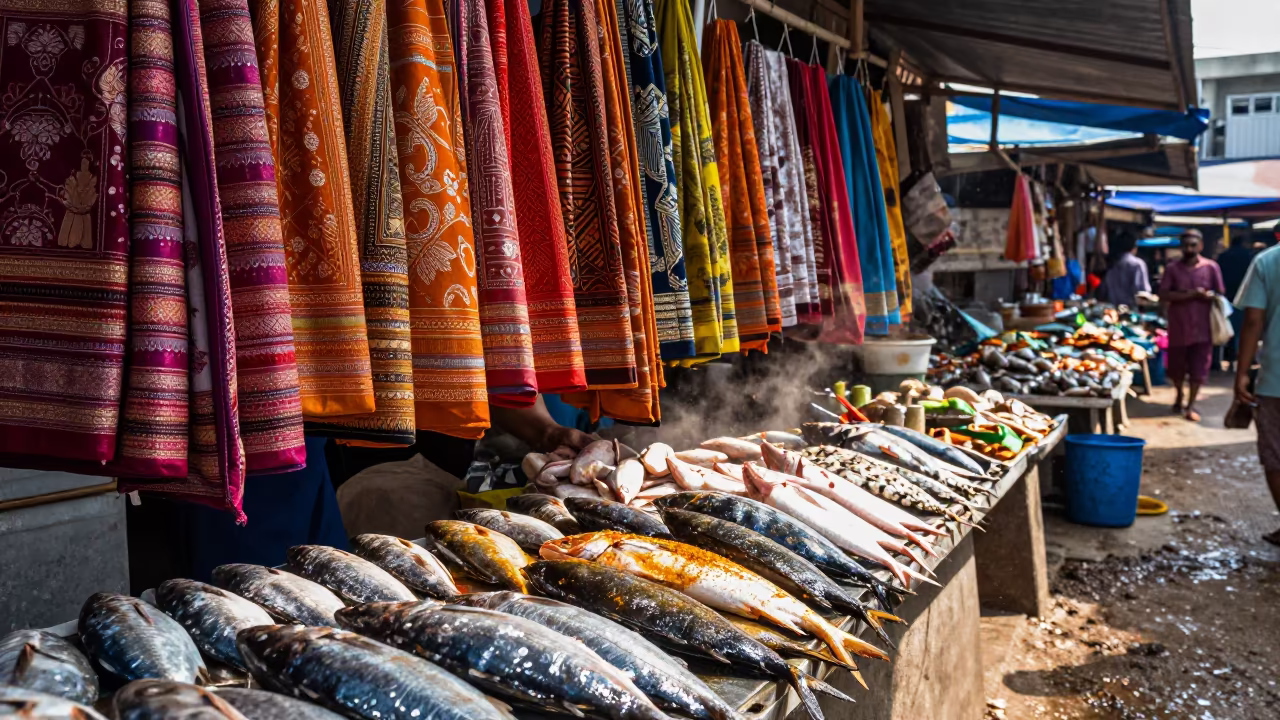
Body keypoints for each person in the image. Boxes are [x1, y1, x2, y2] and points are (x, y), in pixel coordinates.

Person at [1233, 244, 1280, 546]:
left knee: (1275, 456)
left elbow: (1253, 321)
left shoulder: (1266, 261)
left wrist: (1241, 373)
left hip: (1275, 380)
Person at [1159, 229, 1225, 422]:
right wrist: (1190, 295)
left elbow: (1220, 292)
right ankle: (1179, 394)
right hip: (1178, 327)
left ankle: (1191, 404)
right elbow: (1164, 294)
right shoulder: (1172, 268)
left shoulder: (1211, 267)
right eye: (1186, 245)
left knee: (1199, 368)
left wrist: (1208, 296)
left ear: (1200, 246)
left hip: (1203, 328)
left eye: (1193, 245)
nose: (1189, 248)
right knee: (1177, 368)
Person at [1217, 233, 1256, 366]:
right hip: (1246, 297)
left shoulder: (1223, 257)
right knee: (1243, 329)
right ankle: (1242, 358)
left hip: (1226, 298)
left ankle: (1228, 357)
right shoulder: (1249, 256)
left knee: (1227, 329)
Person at [1099, 232, 1151, 307]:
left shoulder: (1112, 264)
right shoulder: (1137, 264)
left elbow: (1103, 291)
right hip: (1131, 311)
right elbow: (1143, 292)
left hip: (1112, 311)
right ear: (1134, 247)